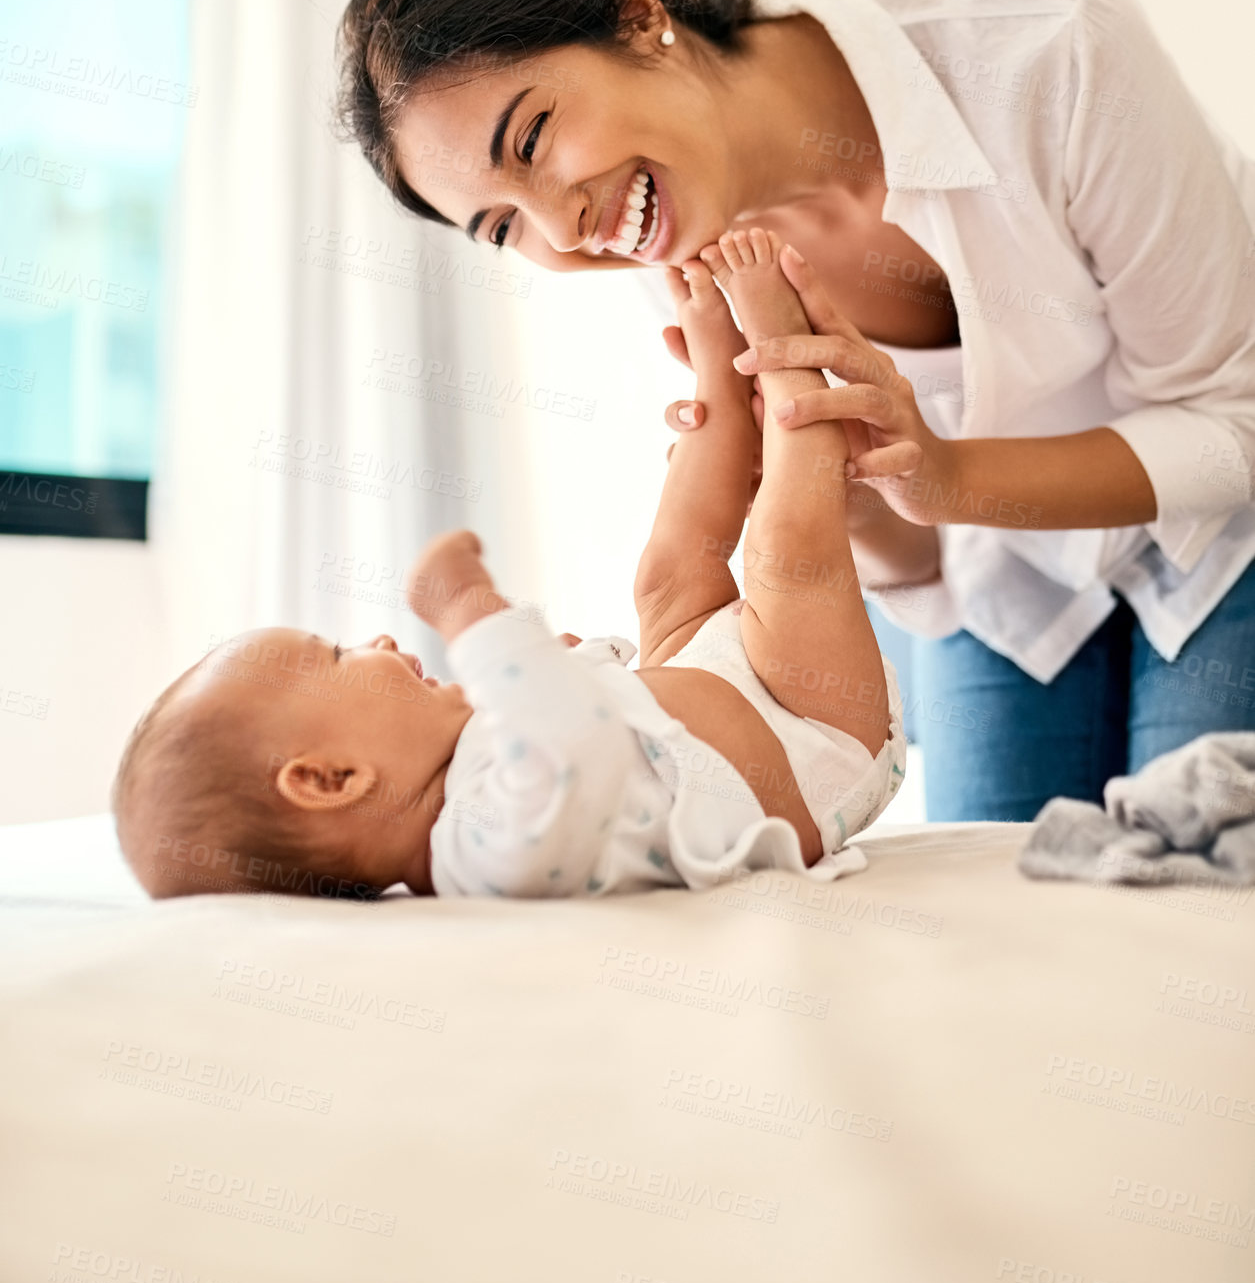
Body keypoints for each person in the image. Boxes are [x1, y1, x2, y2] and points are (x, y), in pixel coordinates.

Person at [336, 0, 1255, 822]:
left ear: (639, 18)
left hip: (1227, 525)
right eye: (502, 227)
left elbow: (1234, 424)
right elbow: (920, 556)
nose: (561, 229)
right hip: (1007, 570)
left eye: (530, 139)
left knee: (1182, 887)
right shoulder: (679, 245)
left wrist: (945, 476)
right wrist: (842, 492)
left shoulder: (1034, 32)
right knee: (995, 909)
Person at [113, 231, 905, 900]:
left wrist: (575, 684)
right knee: (784, 555)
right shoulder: (483, 852)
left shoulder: (474, 788)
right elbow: (573, 750)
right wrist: (469, 614)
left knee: (664, 578)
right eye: (335, 655)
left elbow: (582, 736)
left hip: (707, 697)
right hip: (808, 734)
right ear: (330, 779)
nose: (378, 644)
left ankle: (720, 384)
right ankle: (782, 356)